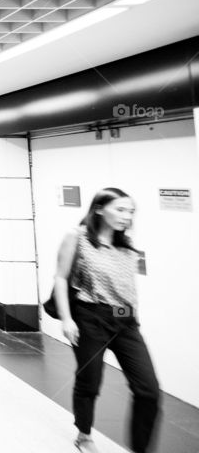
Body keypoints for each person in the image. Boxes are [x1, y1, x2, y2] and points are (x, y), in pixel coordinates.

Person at [52, 188, 160, 453]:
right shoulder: (77, 237)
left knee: (148, 390)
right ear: (99, 209)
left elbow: (127, 284)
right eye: (120, 209)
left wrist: (133, 316)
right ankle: (84, 434)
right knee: (90, 380)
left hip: (125, 319)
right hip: (91, 316)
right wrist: (67, 319)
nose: (127, 216)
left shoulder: (126, 243)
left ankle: (141, 448)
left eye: (131, 211)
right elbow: (61, 277)